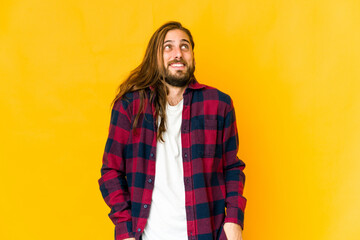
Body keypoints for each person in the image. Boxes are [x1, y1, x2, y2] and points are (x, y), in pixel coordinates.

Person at [98, 21, 246, 240]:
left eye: (184, 46)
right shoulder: (130, 106)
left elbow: (232, 167)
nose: (178, 53)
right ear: (155, 56)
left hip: (207, 234)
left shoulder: (219, 104)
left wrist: (233, 221)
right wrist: (124, 229)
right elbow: (111, 171)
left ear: (192, 56)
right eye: (168, 47)